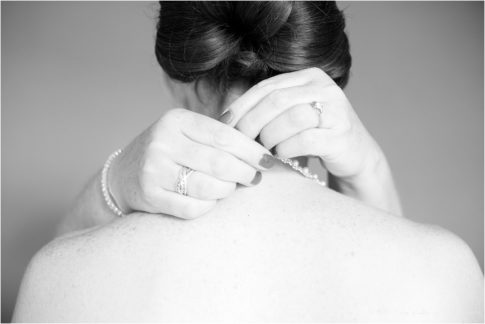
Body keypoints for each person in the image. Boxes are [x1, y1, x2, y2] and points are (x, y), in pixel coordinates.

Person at [13, 1, 483, 322]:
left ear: (181, 79)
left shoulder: (62, 273)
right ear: (327, 79)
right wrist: (369, 171)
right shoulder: (445, 266)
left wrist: (113, 182)